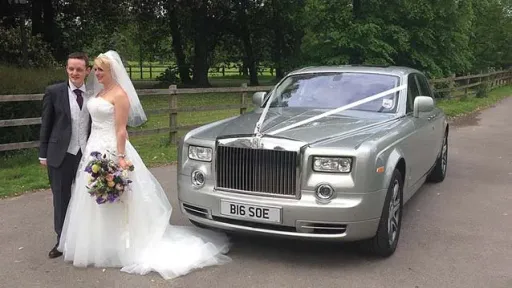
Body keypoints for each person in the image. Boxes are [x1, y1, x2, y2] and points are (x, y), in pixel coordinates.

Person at [57, 50, 231, 280]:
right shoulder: (100, 91)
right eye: (96, 69)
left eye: (101, 69)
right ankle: (99, 243)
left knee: (118, 199)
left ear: (112, 71)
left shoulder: (119, 95)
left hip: (111, 150)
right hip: (93, 148)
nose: (97, 73)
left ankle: (123, 244)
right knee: (91, 198)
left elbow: (120, 129)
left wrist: (119, 157)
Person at [39, 52, 92, 259]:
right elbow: (46, 124)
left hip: (86, 155)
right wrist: (43, 153)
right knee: (61, 199)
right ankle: (61, 242)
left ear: (87, 71)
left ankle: (84, 239)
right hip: (60, 154)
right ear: (66, 69)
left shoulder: (94, 94)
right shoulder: (54, 92)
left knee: (86, 198)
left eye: (79, 69)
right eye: (71, 68)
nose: (74, 73)